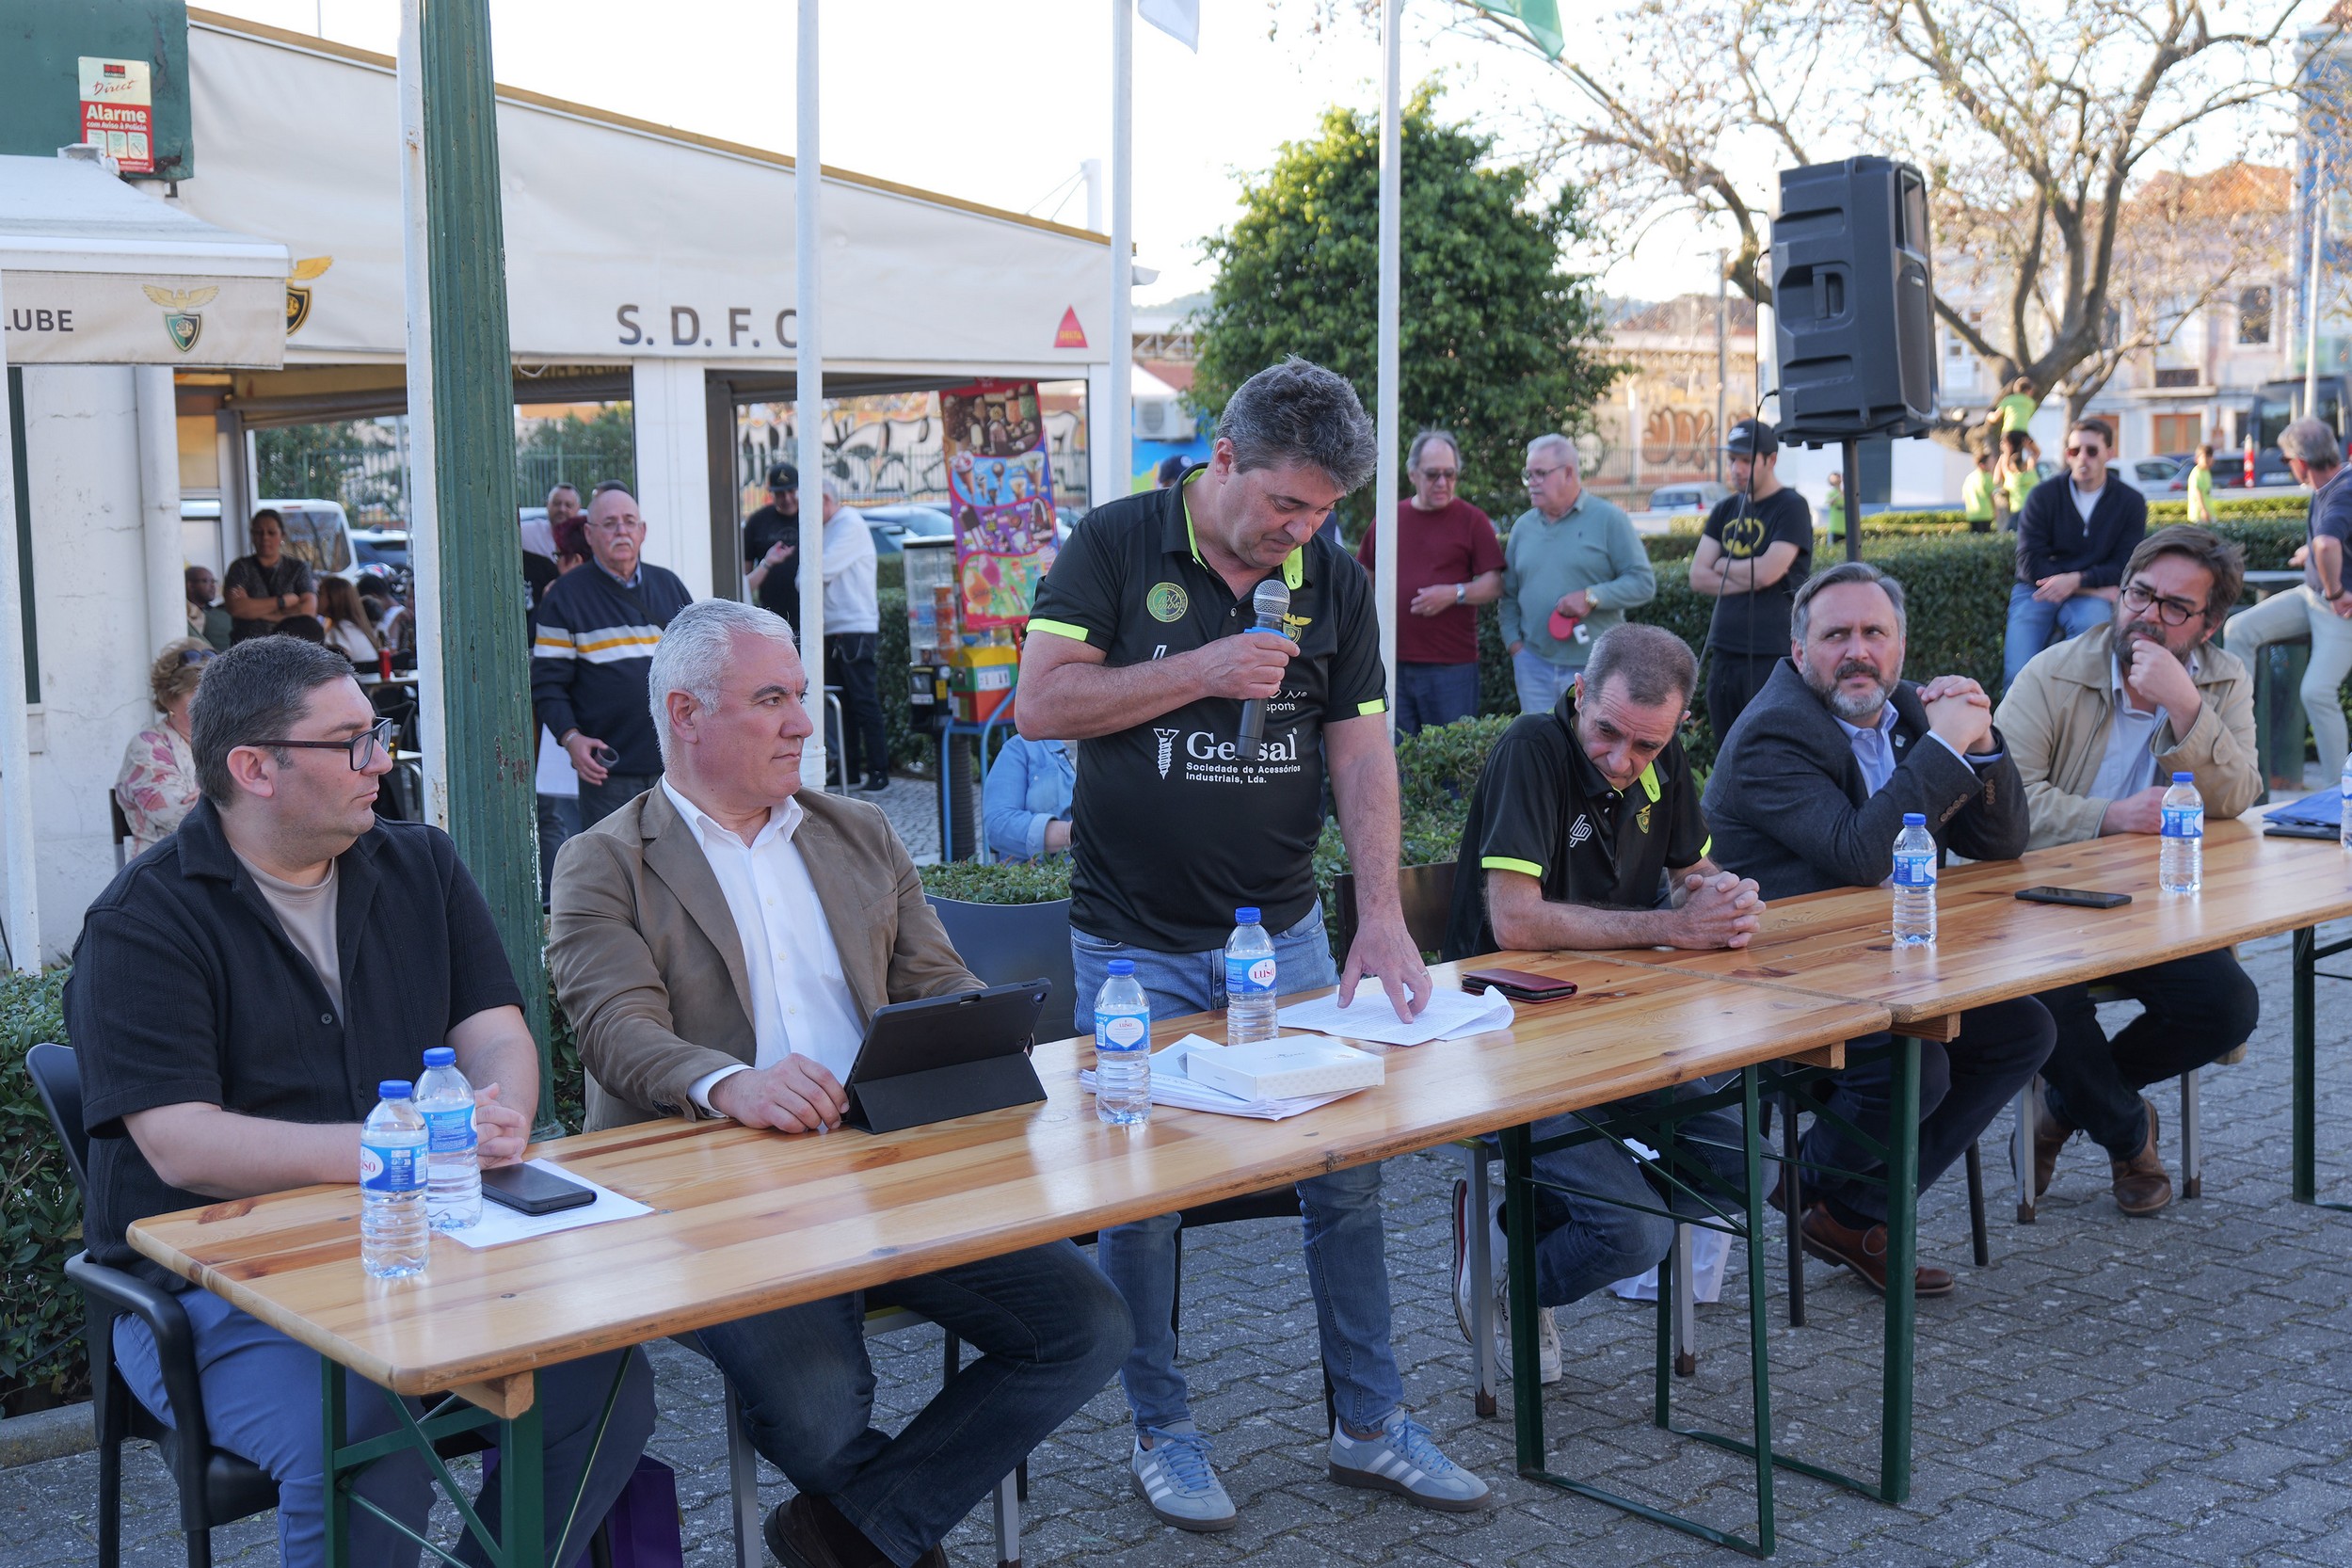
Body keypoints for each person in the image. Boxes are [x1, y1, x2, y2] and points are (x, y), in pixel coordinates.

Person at [548, 599, 1128, 1568]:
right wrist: (731, 1082)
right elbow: (616, 1032)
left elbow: (938, 983)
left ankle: (852, 1530)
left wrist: (970, 1021)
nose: (805, 723)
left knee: (1090, 1323)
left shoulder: (857, 832)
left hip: (888, 1158)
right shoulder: (603, 860)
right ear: (685, 715)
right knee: (820, 1416)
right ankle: (877, 1525)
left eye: (803, 697)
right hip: (717, 1196)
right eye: (771, 699)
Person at [1017, 356, 1489, 1529]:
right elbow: (1041, 703)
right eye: (1287, 504)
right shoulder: (1116, 544)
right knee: (1141, 1198)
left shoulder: (1331, 574)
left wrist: (1378, 913)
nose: (1304, 532)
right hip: (1131, 947)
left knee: (1348, 1178)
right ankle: (1163, 1430)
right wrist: (1206, 671)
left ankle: (1370, 1422)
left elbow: (1361, 747)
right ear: (1222, 458)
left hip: (1282, 938)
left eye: (1324, 511)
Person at [68, 635, 654, 1568]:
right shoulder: (144, 918)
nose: (382, 759)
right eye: (351, 742)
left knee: (602, 1374)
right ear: (253, 768)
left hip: (428, 1250)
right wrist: (404, 1144)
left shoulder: (420, 863)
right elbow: (180, 1145)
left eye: (379, 731)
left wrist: (496, 1105)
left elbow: (495, 1028)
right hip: (211, 1287)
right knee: (369, 1425)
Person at [1703, 562, 2055, 1295]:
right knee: (1916, 1068)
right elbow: (1861, 854)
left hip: (1886, 964)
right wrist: (1944, 750)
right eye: (1835, 635)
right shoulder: (1773, 732)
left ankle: (1847, 1210)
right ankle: (1793, 1187)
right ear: (1799, 652)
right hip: (1779, 975)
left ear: (1899, 647)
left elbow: (2003, 844)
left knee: (2023, 1030)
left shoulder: (1909, 715)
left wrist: (1980, 741)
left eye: (1874, 633)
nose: (1856, 651)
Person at [1440, 624, 1763, 1380]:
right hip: (1509, 1039)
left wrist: (1722, 893)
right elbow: (1514, 920)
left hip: (1625, 1027)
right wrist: (1675, 928)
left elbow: (1691, 868)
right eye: (1606, 734)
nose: (1623, 762)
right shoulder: (1531, 745)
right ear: (1578, 694)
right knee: (1634, 1238)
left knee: (1745, 1172)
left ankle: (1520, 1232)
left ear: (1675, 728)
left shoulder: (1661, 755)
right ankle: (1522, 1273)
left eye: (1646, 747)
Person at [1996, 526, 2261, 1215]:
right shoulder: (2050, 674)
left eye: (2176, 607)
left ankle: (2062, 1109)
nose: (2149, 615)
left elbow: (2236, 798)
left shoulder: (2223, 679)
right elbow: (1999, 809)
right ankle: (2125, 1132)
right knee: (2043, 1003)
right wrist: (2108, 815)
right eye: (2140, 594)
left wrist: (2186, 705)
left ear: (2209, 623)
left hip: (2157, 907)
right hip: (2046, 906)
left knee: (2228, 1007)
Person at [532, 482, 695, 826]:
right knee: (616, 873)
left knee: (682, 870)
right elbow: (547, 685)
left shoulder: (670, 586)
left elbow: (699, 668)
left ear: (643, 530)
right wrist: (571, 738)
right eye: (609, 523)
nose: (621, 530)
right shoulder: (565, 596)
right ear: (589, 535)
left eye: (629, 521)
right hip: (609, 772)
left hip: (677, 767)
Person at [2224, 417, 2352, 788]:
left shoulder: (2343, 490)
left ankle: (2337, 795)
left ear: (2300, 459)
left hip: (2338, 610)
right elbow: (2329, 544)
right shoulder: (2327, 485)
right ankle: (2240, 734)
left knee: (2317, 691)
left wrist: (2336, 592)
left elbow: (2328, 544)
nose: (2287, 465)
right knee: (2239, 629)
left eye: (2284, 459)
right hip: (2310, 598)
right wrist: (2310, 555)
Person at [1354, 428, 1504, 735]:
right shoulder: (1388, 519)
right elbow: (1362, 577)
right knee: (1395, 758)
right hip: (1390, 661)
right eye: (1433, 474)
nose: (1442, 483)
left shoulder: (1472, 520)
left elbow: (1494, 583)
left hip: (1451, 667)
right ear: (1412, 474)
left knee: (1451, 760)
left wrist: (1454, 593)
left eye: (1450, 474)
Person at [1499, 434, 1654, 719]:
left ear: (1568, 472)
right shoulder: (1523, 527)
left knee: (1589, 752)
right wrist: (1515, 646)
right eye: (1528, 474)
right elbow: (1508, 593)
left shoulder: (1608, 519)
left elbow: (1643, 583)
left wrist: (1591, 597)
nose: (1531, 482)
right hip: (1533, 664)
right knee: (1540, 749)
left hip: (1595, 666)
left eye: (1540, 474)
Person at [1688, 418, 1813, 742]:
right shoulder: (1725, 509)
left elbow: (1771, 570)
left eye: (1745, 460)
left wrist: (1723, 565)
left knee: (1770, 747)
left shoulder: (1791, 507)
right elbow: (1698, 576)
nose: (1736, 469)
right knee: (1728, 750)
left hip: (1771, 656)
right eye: (1732, 460)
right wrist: (1751, 574)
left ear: (1770, 460)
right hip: (1724, 655)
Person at [2004, 417, 2147, 690]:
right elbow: (2028, 563)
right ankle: (2014, 732)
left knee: (2091, 668)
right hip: (2038, 590)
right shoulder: (2042, 496)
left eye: (2092, 450)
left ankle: (2080, 727)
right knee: (2018, 672)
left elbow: (2126, 565)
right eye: (2074, 451)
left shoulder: (2130, 502)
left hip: (2090, 593)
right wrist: (2086, 586)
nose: (2083, 458)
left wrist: (2076, 582)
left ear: (2109, 453)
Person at [818, 479, 890, 791]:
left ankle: (879, 771)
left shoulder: (847, 523)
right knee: (841, 702)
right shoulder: (832, 525)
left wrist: (800, 576)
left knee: (862, 701)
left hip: (854, 625)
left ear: (824, 499)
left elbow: (816, 571)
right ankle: (849, 770)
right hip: (836, 625)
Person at [115, 639, 213, 855]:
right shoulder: (147, 747)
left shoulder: (229, 745)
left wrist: (207, 797)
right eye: (198, 692)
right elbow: (185, 819)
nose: (210, 702)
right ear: (169, 699)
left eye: (215, 693)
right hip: (166, 875)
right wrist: (225, 797)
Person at [221, 509, 317, 644]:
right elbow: (236, 608)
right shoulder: (240, 567)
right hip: (247, 649)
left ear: (282, 535)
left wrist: (255, 611)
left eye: (271, 533)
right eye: (259, 532)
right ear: (252, 535)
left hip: (291, 648)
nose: (265, 537)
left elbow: (308, 611)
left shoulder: (298, 568)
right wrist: (283, 602)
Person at [982, 733, 1075, 861]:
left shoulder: (1108, 743)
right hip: (1042, 875)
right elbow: (998, 824)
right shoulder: (1021, 747)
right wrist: (1070, 833)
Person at [744, 460, 802, 629]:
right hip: (771, 619)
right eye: (780, 493)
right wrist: (767, 563)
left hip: (812, 615)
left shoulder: (813, 516)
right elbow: (743, 579)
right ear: (770, 493)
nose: (787, 498)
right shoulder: (757, 521)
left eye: (791, 491)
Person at [316, 575, 382, 666]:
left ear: (333, 598)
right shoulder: (359, 629)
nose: (316, 597)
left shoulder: (337, 633)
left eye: (320, 593)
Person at [1992, 376, 2042, 467]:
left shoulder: (2008, 400)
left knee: (2005, 454)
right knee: (2036, 452)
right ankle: (2028, 470)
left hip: (2007, 432)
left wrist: (1989, 416)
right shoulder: (2031, 403)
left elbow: (1995, 418)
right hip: (2022, 433)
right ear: (2029, 391)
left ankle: (1998, 478)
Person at [184, 567, 232, 651]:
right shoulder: (185, 616)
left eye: (214, 581)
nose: (213, 585)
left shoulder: (222, 612)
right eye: (206, 581)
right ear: (190, 585)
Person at [1999, 430, 2037, 526]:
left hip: (2016, 512)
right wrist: (2028, 448)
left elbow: (2004, 466)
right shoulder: (2031, 477)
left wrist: (2007, 450)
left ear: (2012, 466)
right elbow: (2032, 458)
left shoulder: (2012, 478)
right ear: (2024, 466)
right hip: (2030, 511)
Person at [1962, 448, 1999, 533]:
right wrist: (1996, 511)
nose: (1992, 465)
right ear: (1982, 465)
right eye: (1990, 463)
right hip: (1985, 514)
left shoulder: (1969, 478)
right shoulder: (1987, 477)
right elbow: (1992, 496)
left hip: (1972, 515)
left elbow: (1964, 498)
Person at [2187, 442, 2216, 524]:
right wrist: (2203, 510)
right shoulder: (2197, 473)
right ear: (2197, 459)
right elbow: (2198, 492)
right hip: (2198, 515)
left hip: (2209, 513)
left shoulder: (2206, 472)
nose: (2207, 459)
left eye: (2209, 456)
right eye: (2204, 457)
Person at [1823, 470, 1848, 547]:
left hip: (1846, 528)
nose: (1838, 477)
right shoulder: (1831, 493)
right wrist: (1839, 495)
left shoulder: (1846, 492)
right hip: (1834, 528)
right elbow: (1829, 502)